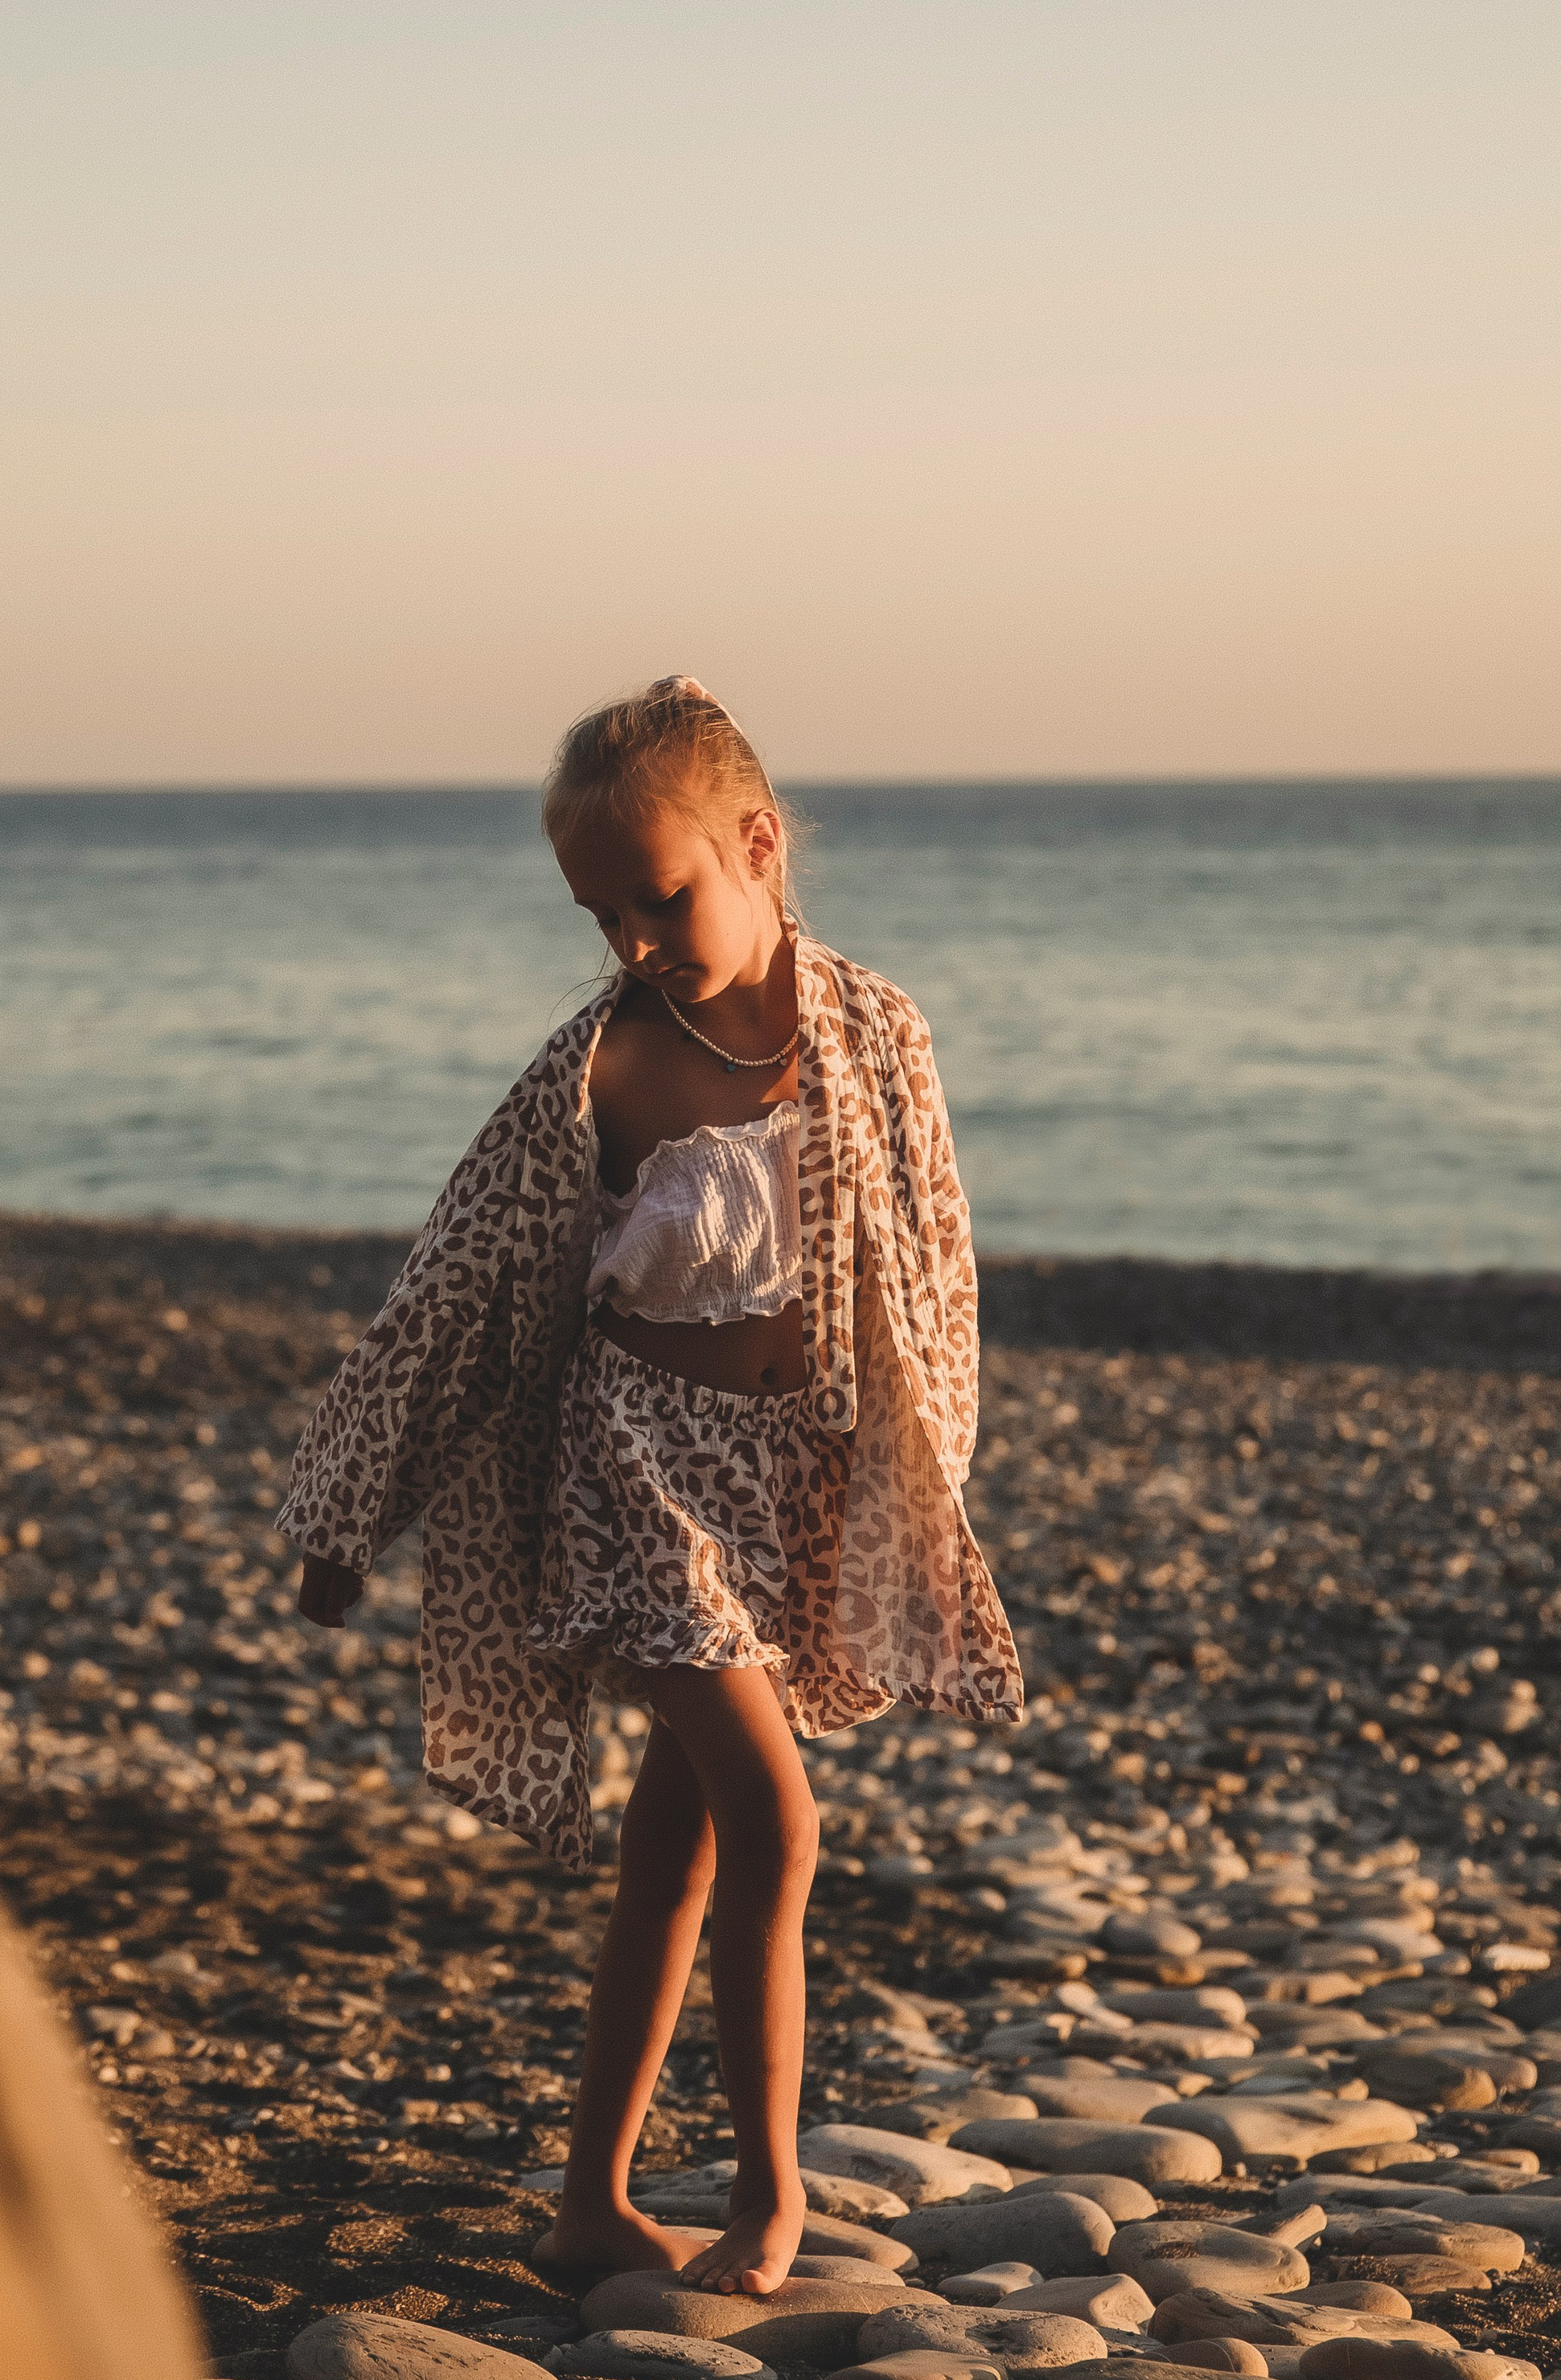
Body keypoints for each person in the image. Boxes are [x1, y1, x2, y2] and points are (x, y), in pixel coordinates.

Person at [285, 677, 1021, 2296]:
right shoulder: (601, 1064)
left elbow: (930, 1275)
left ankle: (590, 2204)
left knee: (672, 1850)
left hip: (787, 1484)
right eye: (599, 913)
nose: (628, 938)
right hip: (633, 1475)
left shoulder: (876, 1033)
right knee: (775, 1820)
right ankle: (769, 2201)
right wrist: (350, 1510)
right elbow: (460, 1288)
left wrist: (918, 1494)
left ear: (756, 845)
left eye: (657, 896)